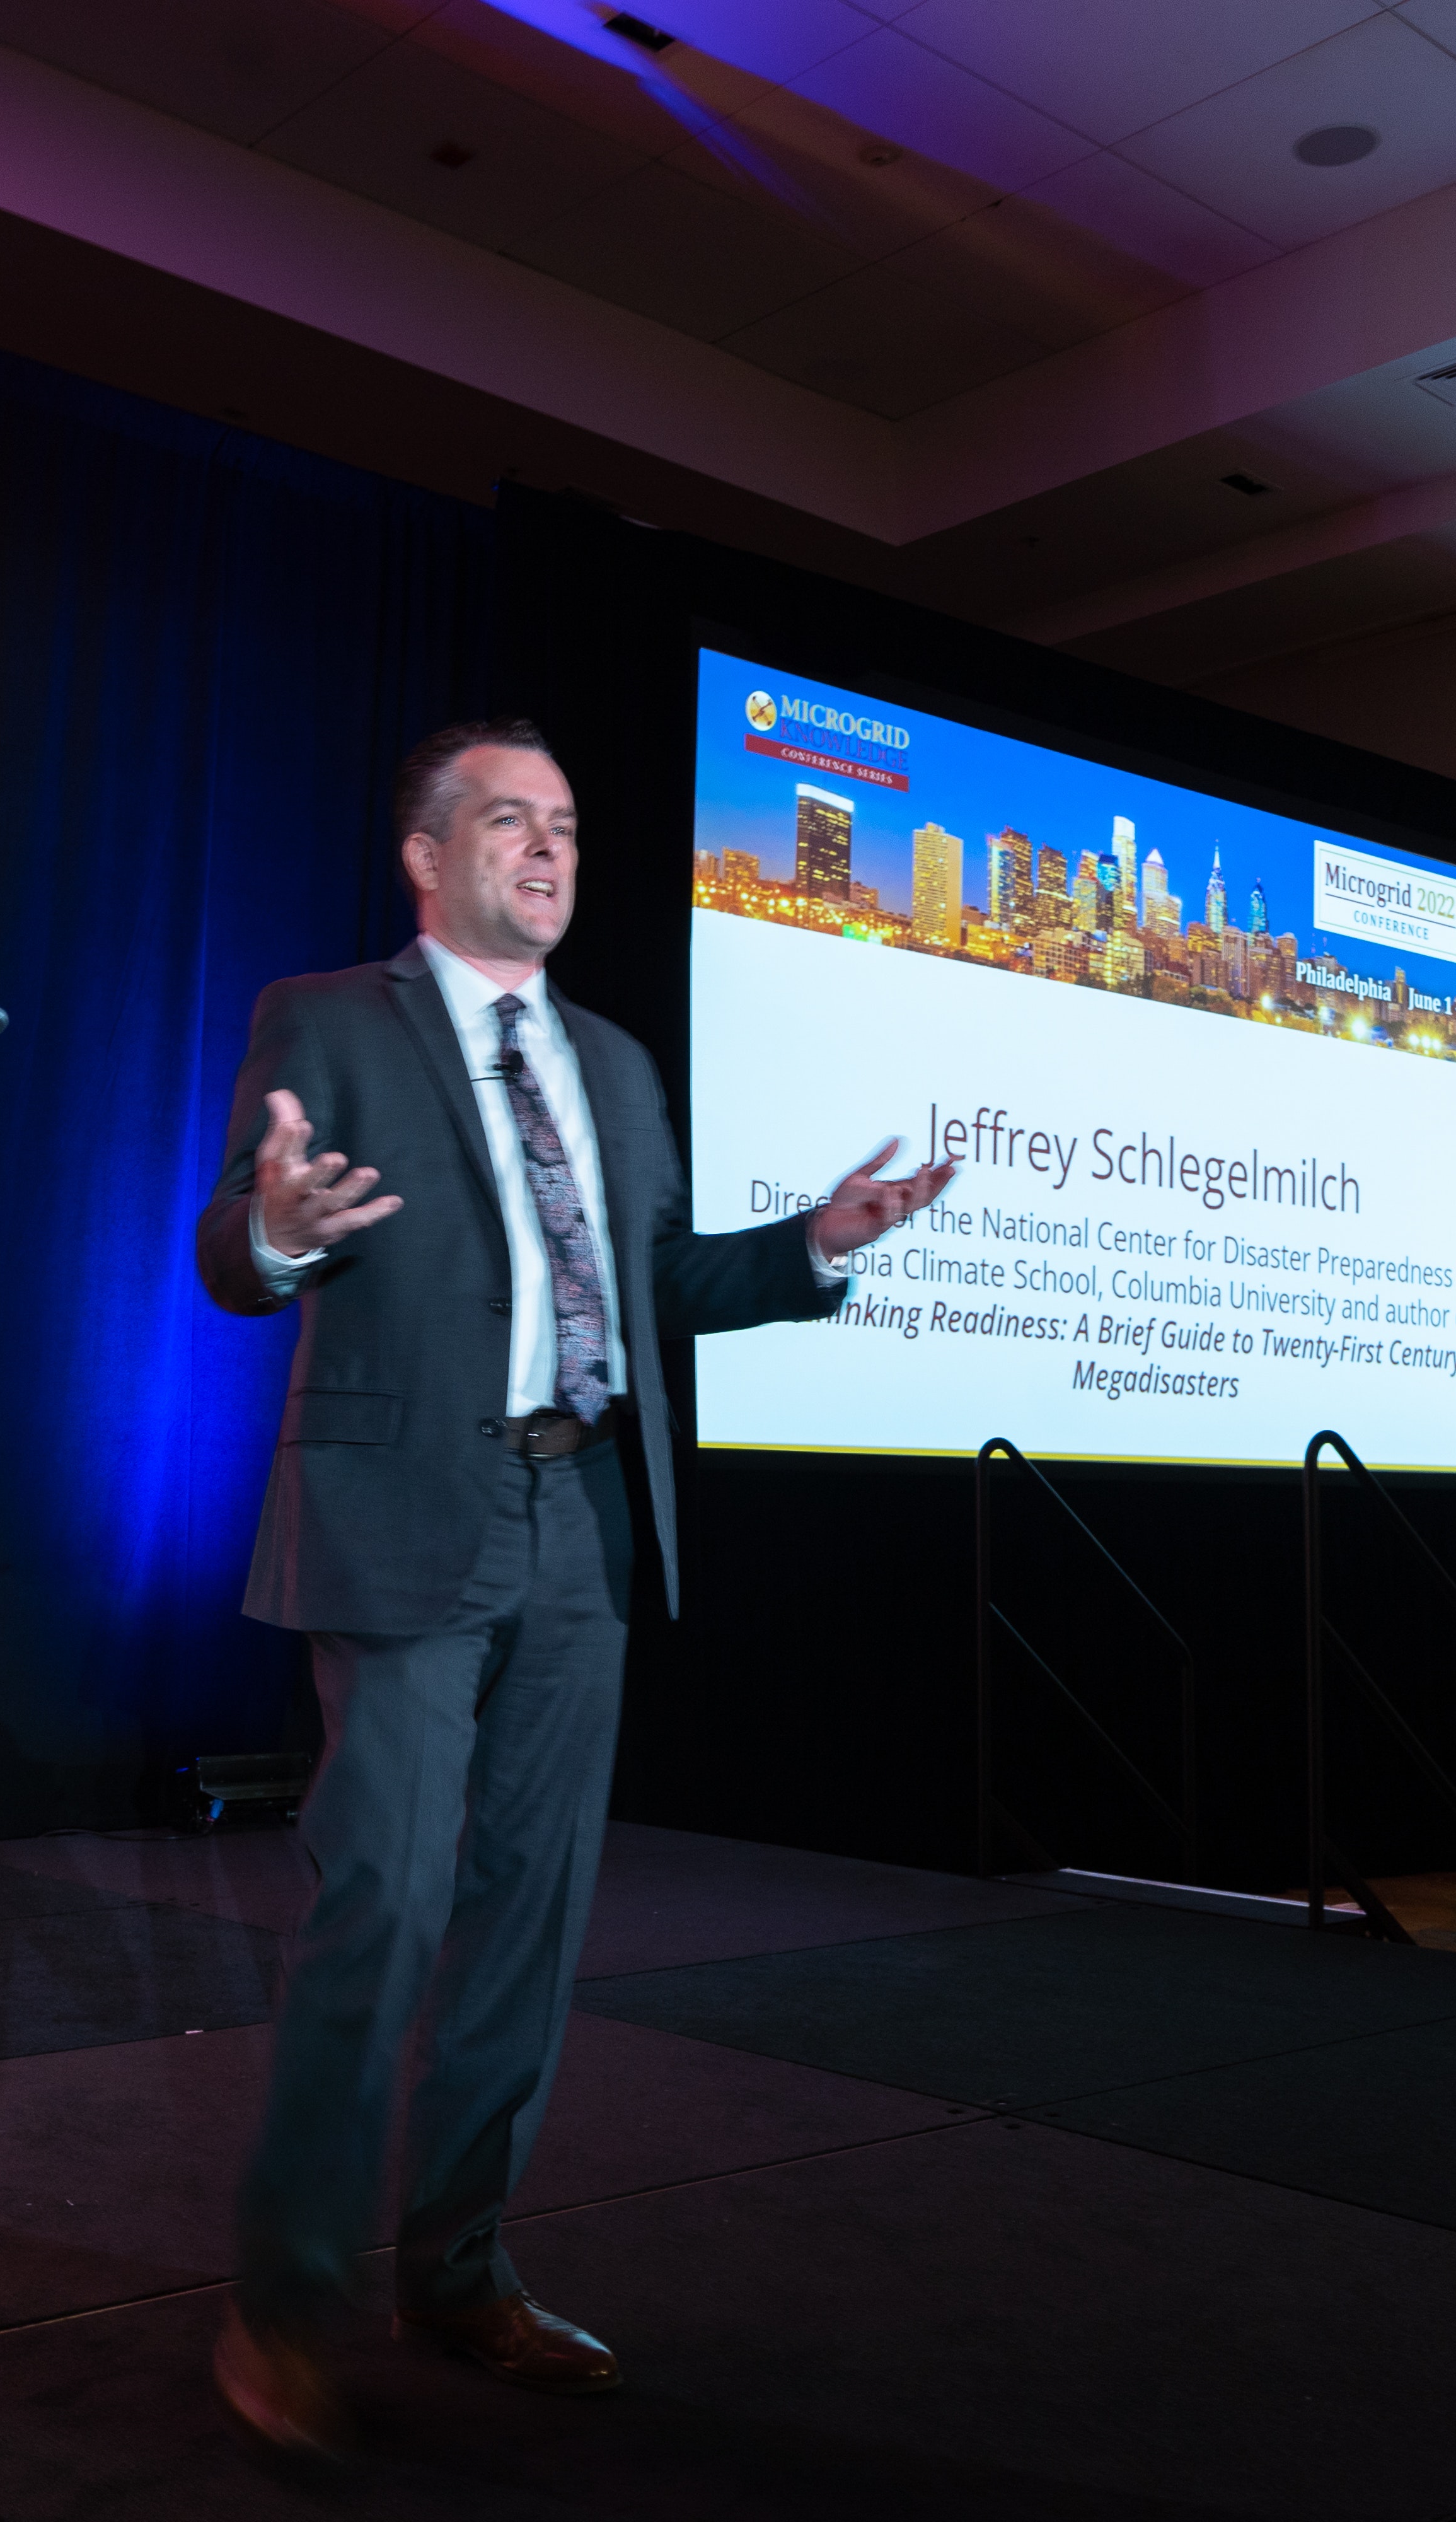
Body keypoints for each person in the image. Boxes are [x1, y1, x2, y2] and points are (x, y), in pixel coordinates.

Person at [192, 719, 954, 2456]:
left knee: (527, 1931)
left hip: (585, 1518)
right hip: (401, 1517)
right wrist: (291, 1228)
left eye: (567, 827)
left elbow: (661, 1279)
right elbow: (237, 1239)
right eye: (510, 822)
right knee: (380, 1903)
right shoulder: (327, 1020)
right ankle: (285, 2302)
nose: (548, 851)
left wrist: (816, 1250)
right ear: (427, 853)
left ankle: (458, 2273)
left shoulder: (610, 1058)